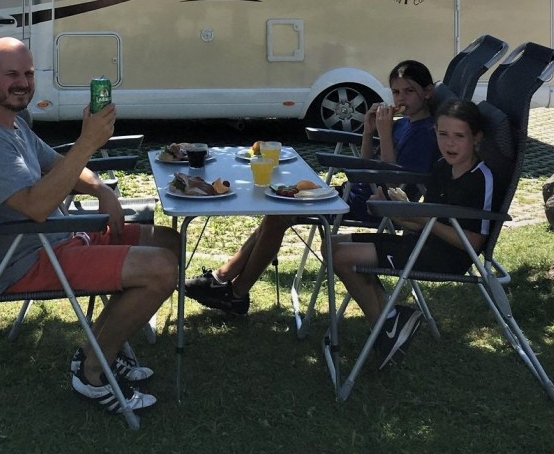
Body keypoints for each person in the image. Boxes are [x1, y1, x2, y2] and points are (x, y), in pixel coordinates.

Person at [0, 36, 179, 416]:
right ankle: (93, 371)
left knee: (168, 241)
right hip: (31, 256)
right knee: (161, 269)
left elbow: (59, 165)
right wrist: (88, 143)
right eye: (11, 75)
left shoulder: (11, 123)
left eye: (28, 73)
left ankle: (100, 349)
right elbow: (37, 206)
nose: (23, 83)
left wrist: (103, 189)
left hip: (62, 237)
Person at [184, 60, 438, 318]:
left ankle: (234, 292)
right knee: (277, 208)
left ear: (427, 92)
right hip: (355, 191)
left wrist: (384, 133)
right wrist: (369, 131)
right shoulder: (404, 123)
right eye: (396, 92)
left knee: (279, 214)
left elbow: (395, 184)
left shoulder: (424, 133)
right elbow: (367, 161)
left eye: (409, 91)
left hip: (374, 204)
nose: (401, 98)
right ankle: (223, 280)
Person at [330, 97, 497, 369]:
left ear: (476, 138)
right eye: (443, 135)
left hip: (447, 257)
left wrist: (420, 216)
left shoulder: (481, 178)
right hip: (421, 243)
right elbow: (426, 220)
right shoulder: (443, 167)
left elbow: (471, 242)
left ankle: (386, 326)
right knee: (332, 245)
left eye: (459, 136)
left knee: (343, 258)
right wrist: (399, 214)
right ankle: (392, 319)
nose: (450, 143)